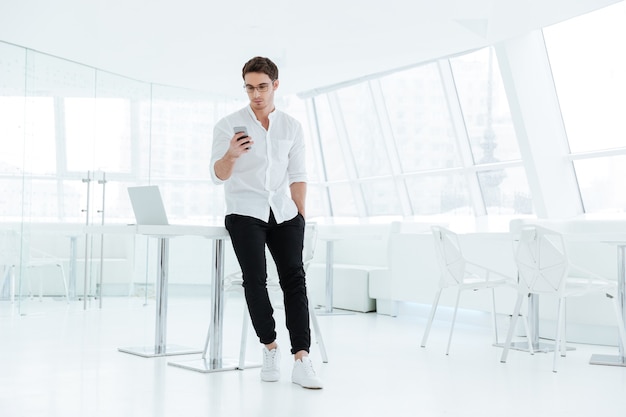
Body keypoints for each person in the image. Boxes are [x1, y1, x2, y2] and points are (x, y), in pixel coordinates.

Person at [210, 56, 323, 389]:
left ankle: (301, 358)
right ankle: (269, 347)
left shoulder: (291, 126)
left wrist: (299, 214)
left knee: (294, 280)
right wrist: (230, 154)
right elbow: (218, 176)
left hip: (284, 213)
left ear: (275, 85)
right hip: (244, 211)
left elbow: (299, 174)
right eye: (249, 87)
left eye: (262, 87)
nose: (255, 94)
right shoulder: (227, 125)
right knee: (254, 279)